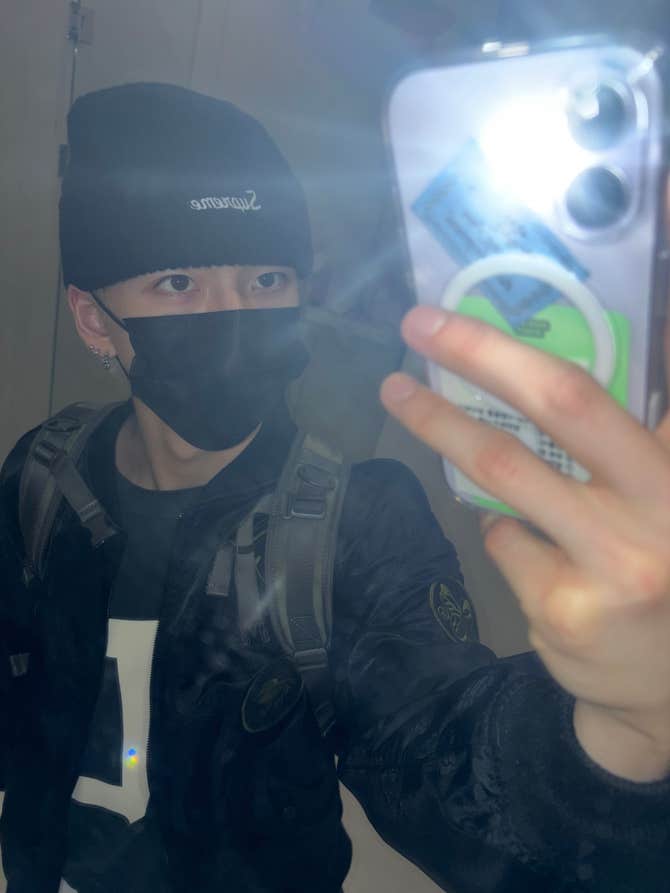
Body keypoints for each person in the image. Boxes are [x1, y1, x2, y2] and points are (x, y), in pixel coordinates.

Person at [0, 82, 667, 893]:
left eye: (266, 279)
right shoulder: (47, 469)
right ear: (93, 318)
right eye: (177, 283)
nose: (234, 316)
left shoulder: (358, 521)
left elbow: (448, 762)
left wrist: (624, 732)